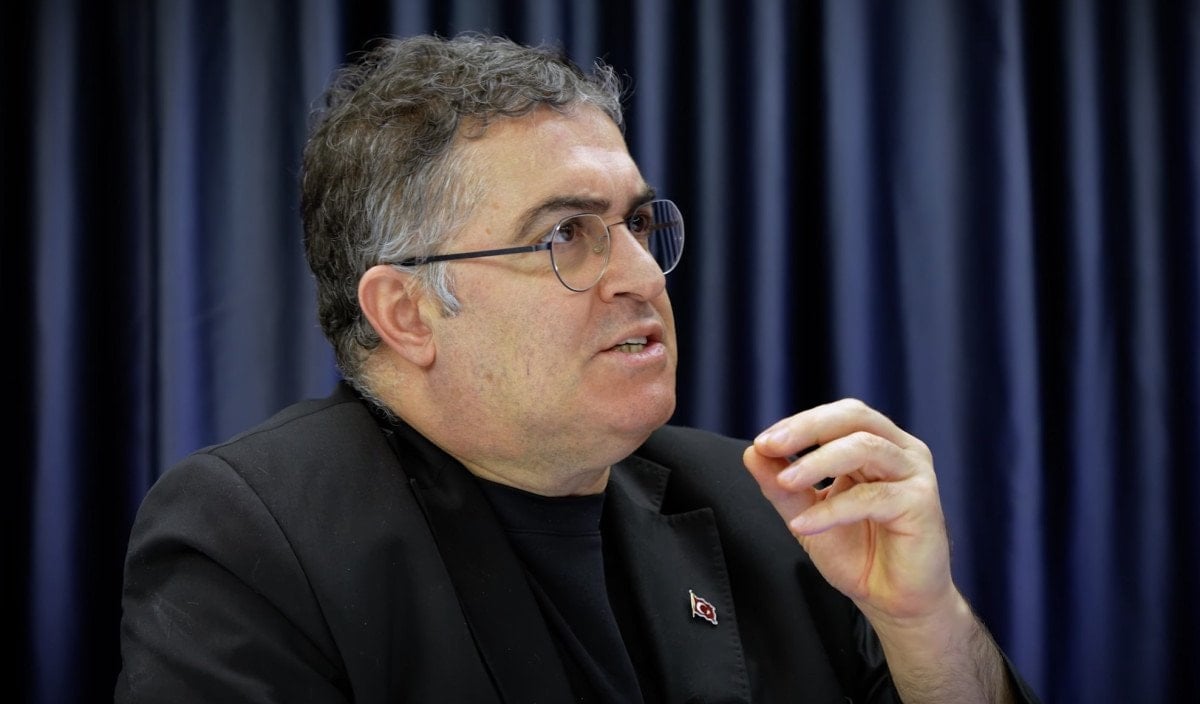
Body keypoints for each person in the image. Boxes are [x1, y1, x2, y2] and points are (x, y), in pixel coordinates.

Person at [115, 33, 1040, 703]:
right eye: (565, 234)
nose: (642, 275)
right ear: (407, 313)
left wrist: (922, 623)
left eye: (635, 223)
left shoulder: (766, 504)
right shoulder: (256, 540)